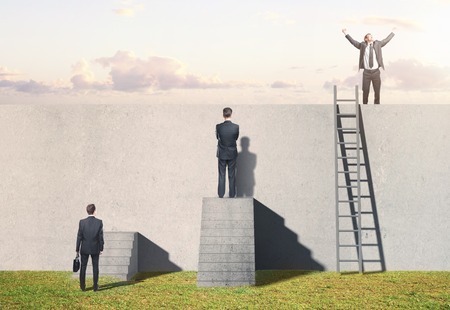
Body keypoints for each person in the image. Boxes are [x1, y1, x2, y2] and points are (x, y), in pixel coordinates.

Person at [342, 28, 395, 104]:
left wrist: (393, 32)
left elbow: (386, 40)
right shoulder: (362, 45)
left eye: (371, 36)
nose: (371, 37)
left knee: (377, 91)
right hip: (366, 73)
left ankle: (376, 107)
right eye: (369, 36)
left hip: (376, 72)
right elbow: (353, 42)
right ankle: (364, 107)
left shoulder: (378, 44)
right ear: (366, 39)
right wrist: (345, 33)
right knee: (365, 91)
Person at [76, 204, 104, 292]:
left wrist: (77, 249)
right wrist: (101, 248)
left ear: (87, 211)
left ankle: (82, 286)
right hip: (95, 248)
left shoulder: (82, 222)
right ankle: (95, 286)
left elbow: (79, 236)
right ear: (94, 211)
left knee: (83, 267)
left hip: (84, 248)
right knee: (95, 267)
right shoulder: (99, 222)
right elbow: (100, 237)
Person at [216, 107, 239, 198]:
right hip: (232, 153)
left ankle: (221, 194)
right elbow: (236, 138)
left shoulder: (218, 127)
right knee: (232, 174)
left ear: (223, 115)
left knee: (221, 174)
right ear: (231, 114)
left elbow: (217, 137)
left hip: (222, 153)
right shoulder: (236, 127)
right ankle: (232, 194)